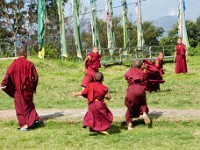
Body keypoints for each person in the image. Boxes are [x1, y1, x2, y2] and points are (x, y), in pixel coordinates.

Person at [0, 46, 43, 131]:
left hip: (18, 90)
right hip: (28, 90)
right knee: (29, 106)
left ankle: (24, 125)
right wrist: (33, 87)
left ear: (18, 54)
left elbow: (8, 75)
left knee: (20, 108)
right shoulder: (30, 64)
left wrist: (3, 84)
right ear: (25, 54)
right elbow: (36, 77)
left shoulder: (14, 64)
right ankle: (34, 121)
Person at [124, 59, 150, 131]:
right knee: (142, 103)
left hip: (131, 90)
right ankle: (144, 113)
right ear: (141, 66)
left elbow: (128, 79)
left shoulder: (130, 71)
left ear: (133, 65)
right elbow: (145, 81)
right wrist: (144, 70)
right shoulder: (142, 72)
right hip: (140, 89)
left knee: (130, 107)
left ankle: (129, 125)